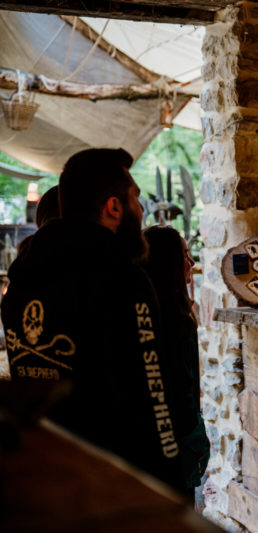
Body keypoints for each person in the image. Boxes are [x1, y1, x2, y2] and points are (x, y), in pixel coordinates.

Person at [0, 148, 186, 490]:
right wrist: (169, 475)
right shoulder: (123, 280)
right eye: (135, 198)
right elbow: (153, 393)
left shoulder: (21, 283)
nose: (141, 209)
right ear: (114, 207)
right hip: (113, 478)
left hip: (47, 466)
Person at [142, 225, 210, 498]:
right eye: (184, 254)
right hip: (171, 445)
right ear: (166, 263)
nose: (191, 263)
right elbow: (181, 389)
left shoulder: (159, 309)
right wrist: (195, 437)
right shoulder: (171, 318)